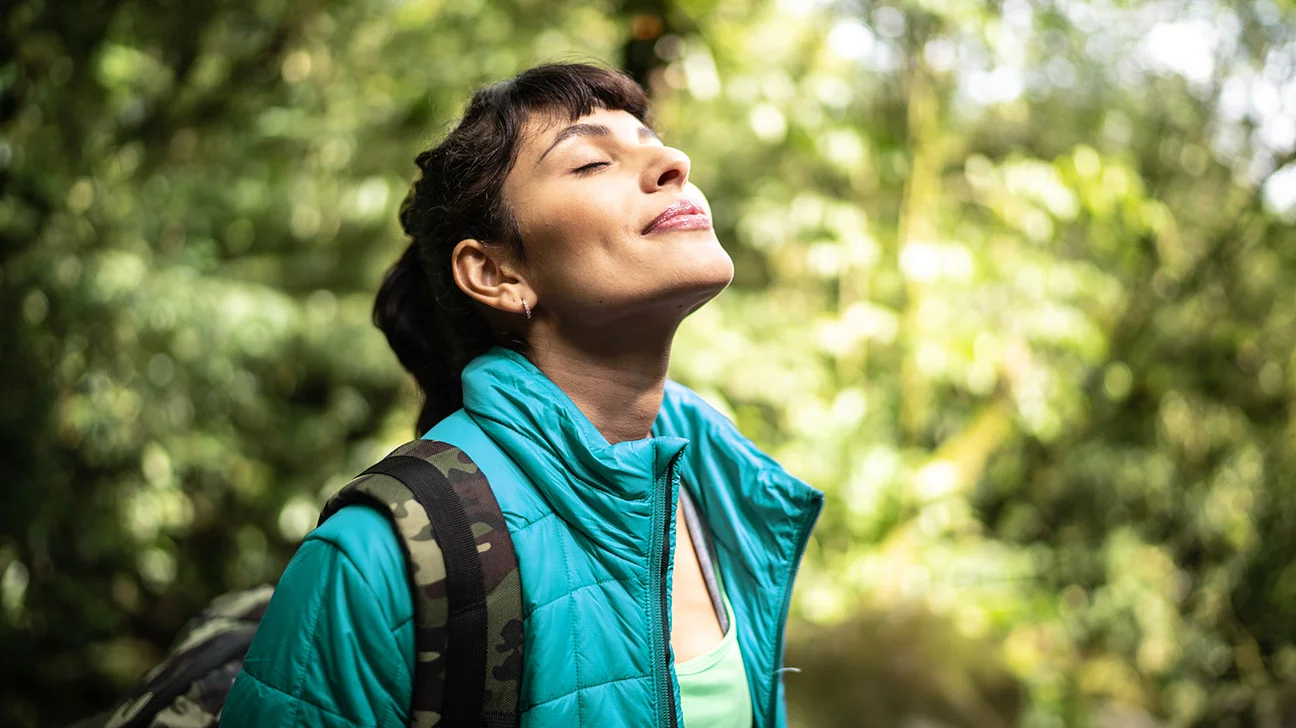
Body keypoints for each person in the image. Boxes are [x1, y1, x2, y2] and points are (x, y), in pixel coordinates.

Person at [220, 62, 823, 728]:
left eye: (655, 145)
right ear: (498, 273)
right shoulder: (374, 560)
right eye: (593, 162)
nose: (674, 162)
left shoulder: (717, 482)